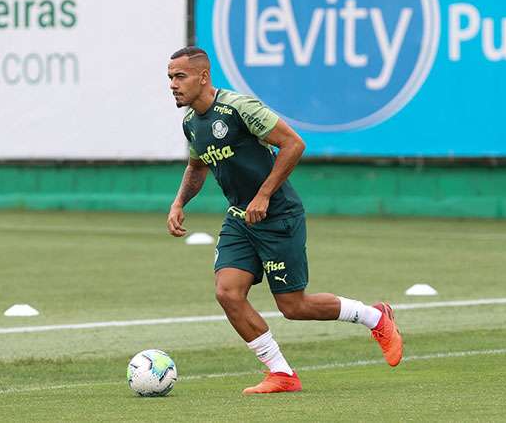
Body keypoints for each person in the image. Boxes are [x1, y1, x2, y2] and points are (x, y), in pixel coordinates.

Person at [165, 46, 402, 395]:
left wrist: (263, 195)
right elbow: (197, 166)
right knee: (228, 293)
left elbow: (294, 144)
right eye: (170, 77)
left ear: (203, 77)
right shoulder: (191, 124)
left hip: (278, 214)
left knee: (294, 306)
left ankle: (375, 318)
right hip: (240, 218)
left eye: (180, 76)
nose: (173, 84)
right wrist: (179, 202)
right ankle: (281, 373)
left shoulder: (239, 108)